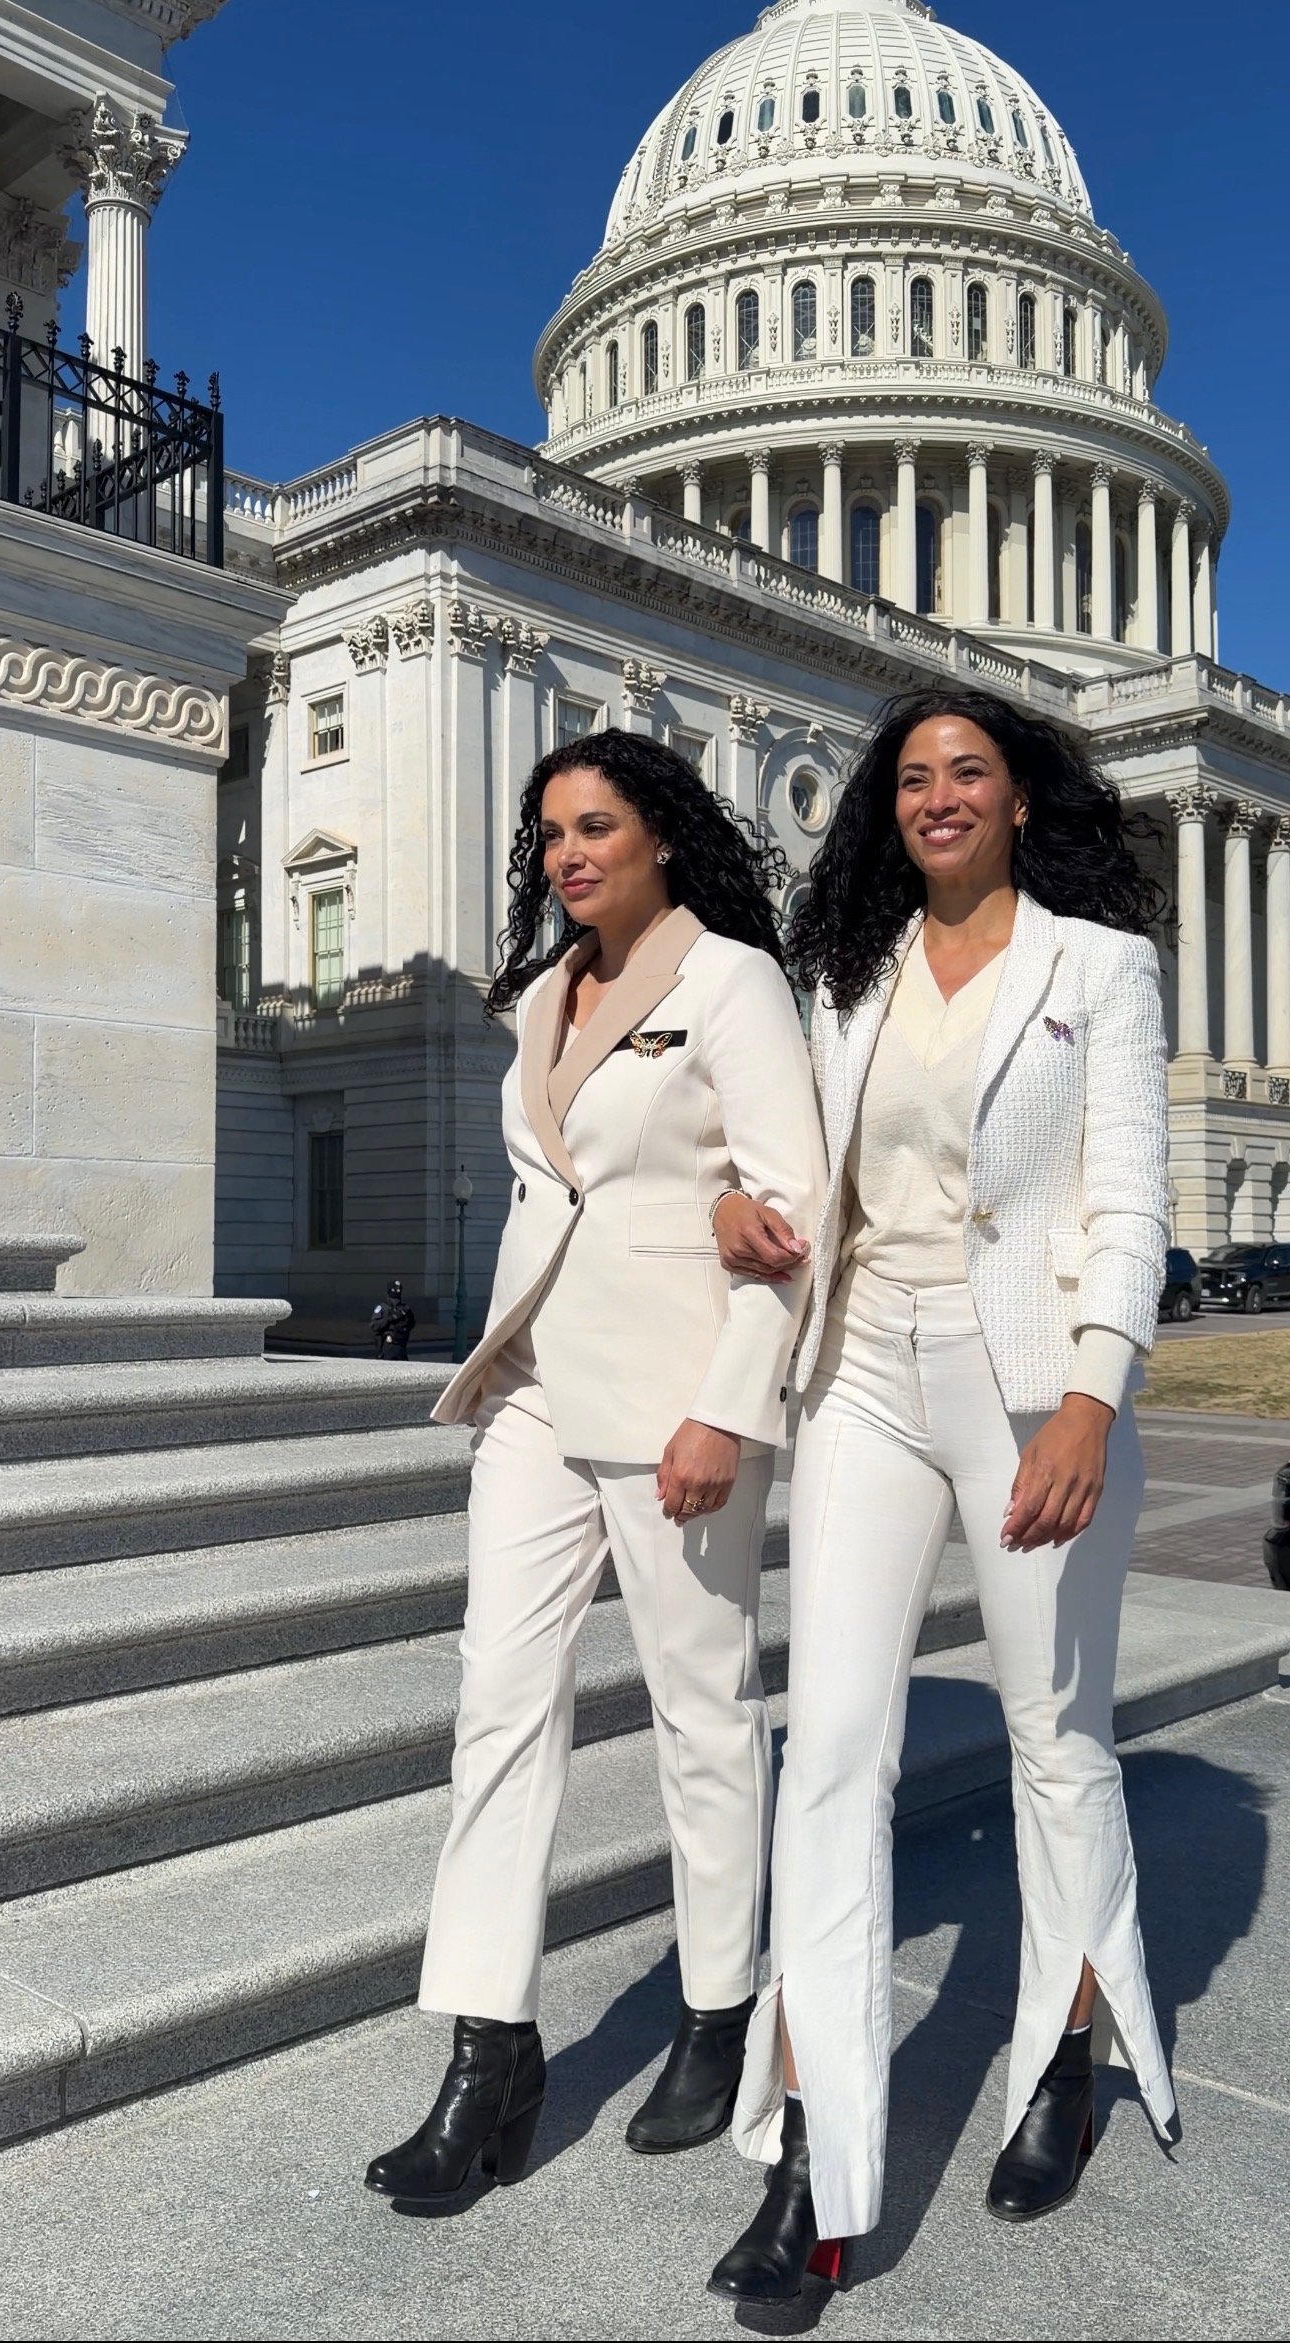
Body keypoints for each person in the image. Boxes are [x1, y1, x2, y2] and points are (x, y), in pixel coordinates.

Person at [706, 686, 1177, 2305]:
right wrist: (734, 1211)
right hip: (862, 1378)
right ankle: (816, 2155)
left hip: (1035, 1383)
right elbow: (783, 1161)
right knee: (831, 1750)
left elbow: (1130, 1204)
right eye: (911, 777)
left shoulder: (1101, 968)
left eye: (967, 770)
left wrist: (1094, 1400)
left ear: (1023, 798)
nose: (937, 794)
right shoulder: (850, 972)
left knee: (1057, 1735)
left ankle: (1066, 2049)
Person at [365, 728, 826, 2212]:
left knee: (702, 1711)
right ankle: (486, 2050)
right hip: (534, 1392)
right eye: (552, 833)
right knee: (497, 1703)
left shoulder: (732, 983)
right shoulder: (537, 1001)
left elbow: (789, 1202)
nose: (569, 853)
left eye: (598, 827)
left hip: (675, 1407)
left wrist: (726, 1409)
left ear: (665, 838)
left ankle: (714, 2003)